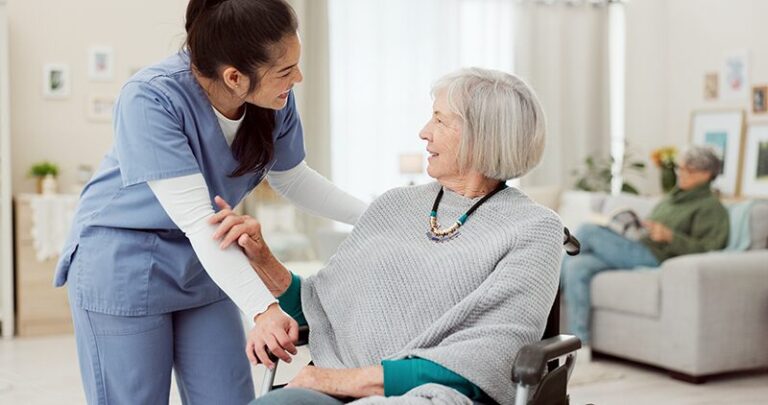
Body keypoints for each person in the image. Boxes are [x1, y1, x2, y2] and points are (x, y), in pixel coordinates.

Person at [53, 1, 366, 403]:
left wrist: (375, 215)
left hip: (209, 257)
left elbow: (294, 179)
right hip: (124, 261)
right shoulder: (150, 98)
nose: (298, 78)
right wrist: (262, 309)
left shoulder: (273, 101)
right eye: (286, 71)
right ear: (234, 77)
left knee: (227, 396)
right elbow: (197, 218)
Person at [213, 68, 564, 404]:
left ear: (482, 135)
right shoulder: (396, 204)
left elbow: (491, 357)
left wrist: (338, 381)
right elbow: (320, 310)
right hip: (332, 384)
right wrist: (262, 258)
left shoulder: (533, 228)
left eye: (440, 120)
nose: (424, 132)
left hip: (439, 394)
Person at [561, 145, 729, 344]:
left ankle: (547, 287)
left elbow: (709, 250)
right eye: (680, 168)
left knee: (588, 231)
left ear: (706, 174)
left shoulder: (711, 207)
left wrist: (671, 237)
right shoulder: (673, 198)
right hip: (638, 245)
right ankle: (579, 344)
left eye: (687, 170)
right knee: (577, 265)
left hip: (656, 257)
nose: (680, 174)